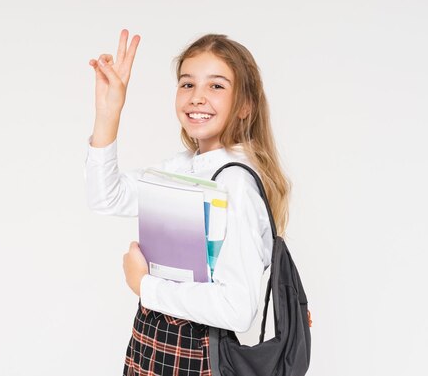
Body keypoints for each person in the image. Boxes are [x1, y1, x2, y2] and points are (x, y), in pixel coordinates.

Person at [85, 29, 291, 376]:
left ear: (245, 105)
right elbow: (107, 197)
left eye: (216, 86)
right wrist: (109, 114)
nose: (197, 97)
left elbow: (237, 308)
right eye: (187, 84)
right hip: (152, 347)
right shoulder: (183, 167)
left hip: (195, 361)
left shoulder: (234, 184)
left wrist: (145, 286)